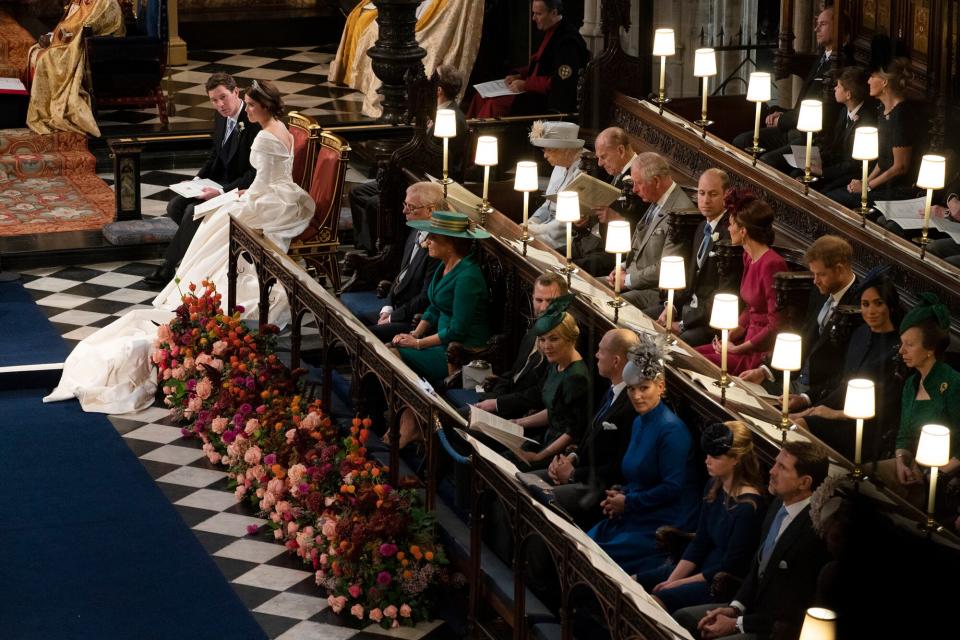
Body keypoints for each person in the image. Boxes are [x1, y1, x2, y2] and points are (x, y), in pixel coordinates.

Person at [46, 80, 315, 414]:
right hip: (276, 195)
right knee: (200, 211)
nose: (245, 107)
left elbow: (260, 180)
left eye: (246, 102)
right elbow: (242, 167)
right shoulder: (281, 128)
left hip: (265, 197)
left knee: (217, 220)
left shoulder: (262, 133)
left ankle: (186, 275)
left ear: (259, 105)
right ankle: (181, 267)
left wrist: (234, 195)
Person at [673, 441, 831, 640]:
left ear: (804, 482)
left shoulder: (812, 531)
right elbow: (756, 569)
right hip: (750, 611)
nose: (772, 471)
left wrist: (737, 624)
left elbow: (791, 608)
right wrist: (734, 608)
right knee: (683, 618)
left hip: (774, 628)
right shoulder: (777, 504)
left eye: (782, 467)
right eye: (775, 464)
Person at [587, 334, 701, 576]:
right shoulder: (639, 423)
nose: (637, 396)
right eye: (631, 389)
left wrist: (628, 502)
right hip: (636, 512)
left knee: (597, 553)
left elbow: (673, 488)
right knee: (585, 542)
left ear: (660, 386)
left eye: (644, 388)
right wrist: (621, 493)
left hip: (661, 522)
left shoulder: (672, 431)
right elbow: (638, 476)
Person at [635, 422, 765, 613]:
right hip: (700, 566)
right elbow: (700, 542)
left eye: (715, 456)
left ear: (736, 459)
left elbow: (730, 566)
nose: (707, 460)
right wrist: (672, 580)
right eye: (707, 454)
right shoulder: (714, 485)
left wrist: (676, 585)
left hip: (718, 581)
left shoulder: (749, 507)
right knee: (634, 581)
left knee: (658, 599)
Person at [145, 73, 260, 286]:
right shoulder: (220, 117)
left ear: (236, 92)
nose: (220, 105)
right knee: (175, 206)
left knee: (192, 212)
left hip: (240, 189)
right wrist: (196, 179)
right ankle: (204, 256)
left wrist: (222, 193)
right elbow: (215, 155)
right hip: (218, 182)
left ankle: (168, 267)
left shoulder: (253, 122)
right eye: (214, 100)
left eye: (223, 97)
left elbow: (254, 174)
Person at [348, 65, 468, 253]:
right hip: (412, 175)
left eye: (432, 80)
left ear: (438, 90)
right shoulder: (436, 111)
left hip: (426, 181)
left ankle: (375, 252)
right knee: (358, 193)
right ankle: (364, 245)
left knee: (375, 203)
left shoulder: (452, 117)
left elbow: (437, 160)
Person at [791, 269, 902, 461]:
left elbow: (886, 406)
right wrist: (808, 402)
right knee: (791, 420)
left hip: (864, 428)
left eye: (878, 304)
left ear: (890, 306)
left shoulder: (897, 349)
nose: (871, 311)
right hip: (838, 413)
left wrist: (833, 414)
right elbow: (841, 381)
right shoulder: (860, 334)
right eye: (865, 305)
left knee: (799, 425)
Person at [534, 328, 640, 527]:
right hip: (579, 469)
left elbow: (617, 467)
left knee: (542, 498)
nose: (596, 355)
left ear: (616, 361)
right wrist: (570, 458)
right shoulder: (611, 391)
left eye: (601, 351)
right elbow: (590, 434)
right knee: (524, 481)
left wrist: (573, 474)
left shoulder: (630, 407)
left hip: (596, 488)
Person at [742, 236, 860, 411]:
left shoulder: (858, 306)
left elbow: (844, 372)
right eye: (813, 274)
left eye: (821, 274)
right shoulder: (820, 291)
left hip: (819, 397)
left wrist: (805, 398)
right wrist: (765, 371)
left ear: (840, 269)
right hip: (792, 380)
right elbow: (804, 336)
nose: (815, 280)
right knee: (741, 395)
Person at [329, 0, 483, 118]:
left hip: (430, 17)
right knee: (375, 26)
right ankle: (390, 90)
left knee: (393, 36)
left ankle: (396, 94)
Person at [875, 293, 960, 507]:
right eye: (901, 343)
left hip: (939, 476)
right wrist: (902, 461)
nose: (901, 351)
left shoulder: (953, 383)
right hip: (911, 466)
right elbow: (904, 434)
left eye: (909, 345)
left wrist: (934, 474)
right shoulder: (911, 383)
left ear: (930, 349)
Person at [391, 210, 490, 385]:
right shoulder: (444, 266)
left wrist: (418, 343)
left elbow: (457, 330)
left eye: (433, 238)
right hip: (440, 343)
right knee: (389, 348)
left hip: (459, 354)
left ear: (450, 244)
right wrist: (414, 334)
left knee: (392, 354)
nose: (427, 242)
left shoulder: (468, 278)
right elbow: (435, 306)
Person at [732, 5, 840, 165]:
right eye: (817, 23)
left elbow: (825, 112)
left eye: (823, 24)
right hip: (794, 128)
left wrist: (783, 120)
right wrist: (783, 113)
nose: (816, 28)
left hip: (811, 139)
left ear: (838, 27)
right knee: (741, 142)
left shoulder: (840, 63)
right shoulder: (822, 57)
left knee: (767, 162)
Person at [446, 272, 567, 413]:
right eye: (539, 300)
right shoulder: (535, 329)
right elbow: (515, 371)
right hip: (502, 397)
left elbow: (537, 395)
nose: (544, 308)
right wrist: (496, 393)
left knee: (447, 418)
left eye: (551, 301)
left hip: (520, 412)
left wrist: (497, 402)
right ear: (532, 299)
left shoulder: (561, 344)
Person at [695, 191, 788, 375]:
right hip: (743, 341)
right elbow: (750, 309)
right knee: (690, 354)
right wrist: (728, 336)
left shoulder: (772, 263)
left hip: (757, 351)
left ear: (743, 231)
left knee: (698, 364)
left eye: (730, 224)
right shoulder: (748, 256)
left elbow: (775, 324)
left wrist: (739, 348)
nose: (728, 229)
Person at [341, 182, 444, 339]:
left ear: (430, 210)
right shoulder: (415, 230)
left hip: (414, 319)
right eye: (405, 204)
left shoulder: (437, 246)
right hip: (397, 307)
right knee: (351, 321)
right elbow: (400, 275)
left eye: (411, 207)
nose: (404, 211)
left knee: (364, 336)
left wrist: (392, 317)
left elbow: (425, 298)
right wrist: (387, 308)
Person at [649, 168, 731, 347]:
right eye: (702, 193)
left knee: (677, 343)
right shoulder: (702, 227)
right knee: (644, 319)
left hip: (707, 321)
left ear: (726, 196)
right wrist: (672, 307)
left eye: (713, 194)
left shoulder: (730, 235)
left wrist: (684, 323)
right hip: (687, 309)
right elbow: (690, 278)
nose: (706, 200)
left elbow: (720, 293)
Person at [824, 58, 921, 209]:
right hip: (880, 182)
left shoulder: (902, 115)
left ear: (884, 82)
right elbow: (882, 161)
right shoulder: (882, 110)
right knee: (828, 195)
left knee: (834, 201)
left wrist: (867, 186)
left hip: (896, 188)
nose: (868, 81)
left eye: (872, 77)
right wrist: (865, 181)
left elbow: (900, 167)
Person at [509, 296, 591, 470]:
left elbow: (573, 431)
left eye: (554, 339)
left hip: (557, 452)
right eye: (542, 339)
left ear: (570, 339)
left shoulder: (576, 377)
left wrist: (539, 456)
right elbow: (554, 411)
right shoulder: (556, 363)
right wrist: (518, 423)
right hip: (545, 437)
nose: (546, 346)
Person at [466, 0, 588, 117]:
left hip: (546, 99)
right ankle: (468, 133)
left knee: (495, 105)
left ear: (554, 13)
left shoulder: (568, 42)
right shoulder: (550, 29)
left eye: (538, 14)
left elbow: (559, 82)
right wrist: (519, 75)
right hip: (533, 90)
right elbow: (540, 65)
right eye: (533, 13)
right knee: (480, 96)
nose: (533, 18)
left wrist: (526, 84)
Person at [607, 152, 692, 309]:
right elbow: (640, 247)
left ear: (656, 181)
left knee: (610, 305)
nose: (634, 190)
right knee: (586, 286)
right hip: (631, 278)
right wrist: (622, 267)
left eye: (638, 183)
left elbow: (665, 267)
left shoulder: (680, 212)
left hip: (652, 291)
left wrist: (627, 280)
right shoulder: (656, 198)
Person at [26, 0, 124, 136]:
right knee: (35, 52)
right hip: (74, 43)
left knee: (47, 59)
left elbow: (88, 27)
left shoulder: (106, 3)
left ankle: (52, 108)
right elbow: (66, 23)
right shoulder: (79, 1)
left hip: (100, 51)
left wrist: (54, 40)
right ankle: (45, 108)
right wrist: (51, 36)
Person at [574, 126, 643, 276]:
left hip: (614, 252)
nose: (599, 163)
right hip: (593, 241)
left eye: (603, 157)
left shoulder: (639, 176)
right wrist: (587, 217)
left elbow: (642, 225)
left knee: (567, 269)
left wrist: (617, 219)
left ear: (620, 151)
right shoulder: (618, 170)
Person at [810, 66, 878, 192]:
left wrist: (823, 171)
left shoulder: (867, 121)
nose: (835, 88)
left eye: (839, 86)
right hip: (838, 165)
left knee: (824, 190)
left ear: (848, 94)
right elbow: (834, 144)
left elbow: (854, 164)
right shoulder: (843, 111)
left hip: (853, 173)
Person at [526, 120, 584, 250]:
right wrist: (531, 221)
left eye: (549, 150)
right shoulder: (559, 164)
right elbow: (547, 204)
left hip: (562, 238)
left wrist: (535, 229)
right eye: (544, 150)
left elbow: (566, 222)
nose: (545, 155)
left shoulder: (583, 171)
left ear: (567, 150)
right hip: (545, 229)